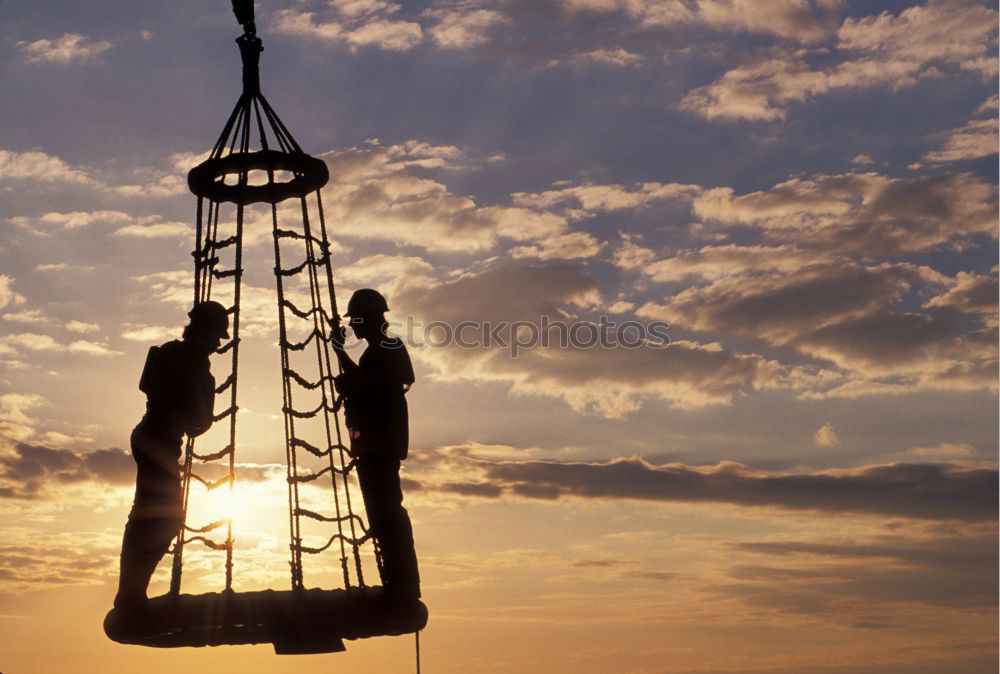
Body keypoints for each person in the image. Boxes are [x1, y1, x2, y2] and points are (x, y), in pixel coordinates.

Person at [113, 301, 228, 609]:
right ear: (201, 331)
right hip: (156, 439)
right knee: (158, 517)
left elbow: (197, 422)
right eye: (215, 336)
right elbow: (194, 418)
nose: (217, 345)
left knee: (158, 516)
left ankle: (132, 593)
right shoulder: (179, 359)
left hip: (157, 440)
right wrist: (201, 387)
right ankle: (130, 594)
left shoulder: (183, 362)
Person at [331, 288, 420, 600]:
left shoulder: (384, 349)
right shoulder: (385, 349)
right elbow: (373, 384)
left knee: (384, 512)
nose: (353, 326)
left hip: (378, 444)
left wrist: (340, 354)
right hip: (378, 442)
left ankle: (402, 584)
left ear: (364, 319)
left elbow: (368, 385)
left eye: (355, 321)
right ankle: (402, 583)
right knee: (385, 511)